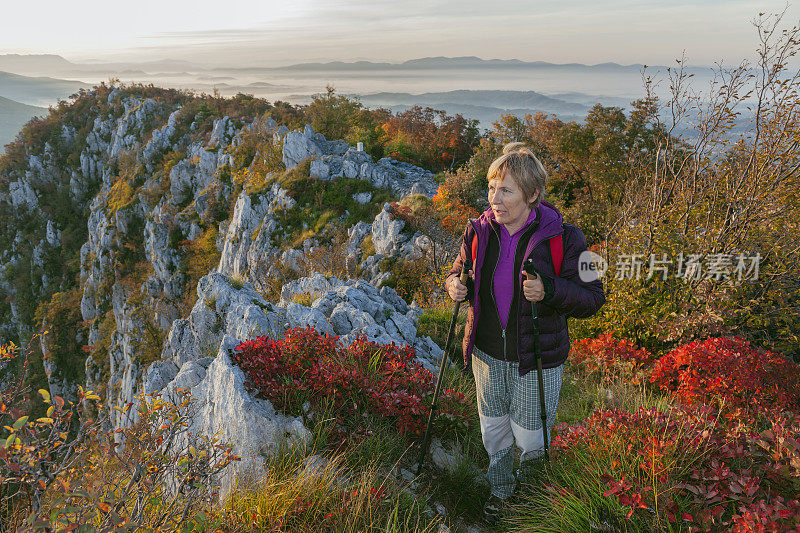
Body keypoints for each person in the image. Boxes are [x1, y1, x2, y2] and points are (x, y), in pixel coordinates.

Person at [446, 142, 606, 524]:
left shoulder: (569, 238)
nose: (494, 199)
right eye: (491, 188)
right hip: (486, 355)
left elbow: (594, 296)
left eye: (506, 190)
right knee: (494, 432)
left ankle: (532, 499)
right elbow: (457, 270)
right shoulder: (478, 231)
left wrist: (548, 290)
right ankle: (501, 493)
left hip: (537, 358)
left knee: (532, 437)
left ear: (532, 195)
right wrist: (454, 284)